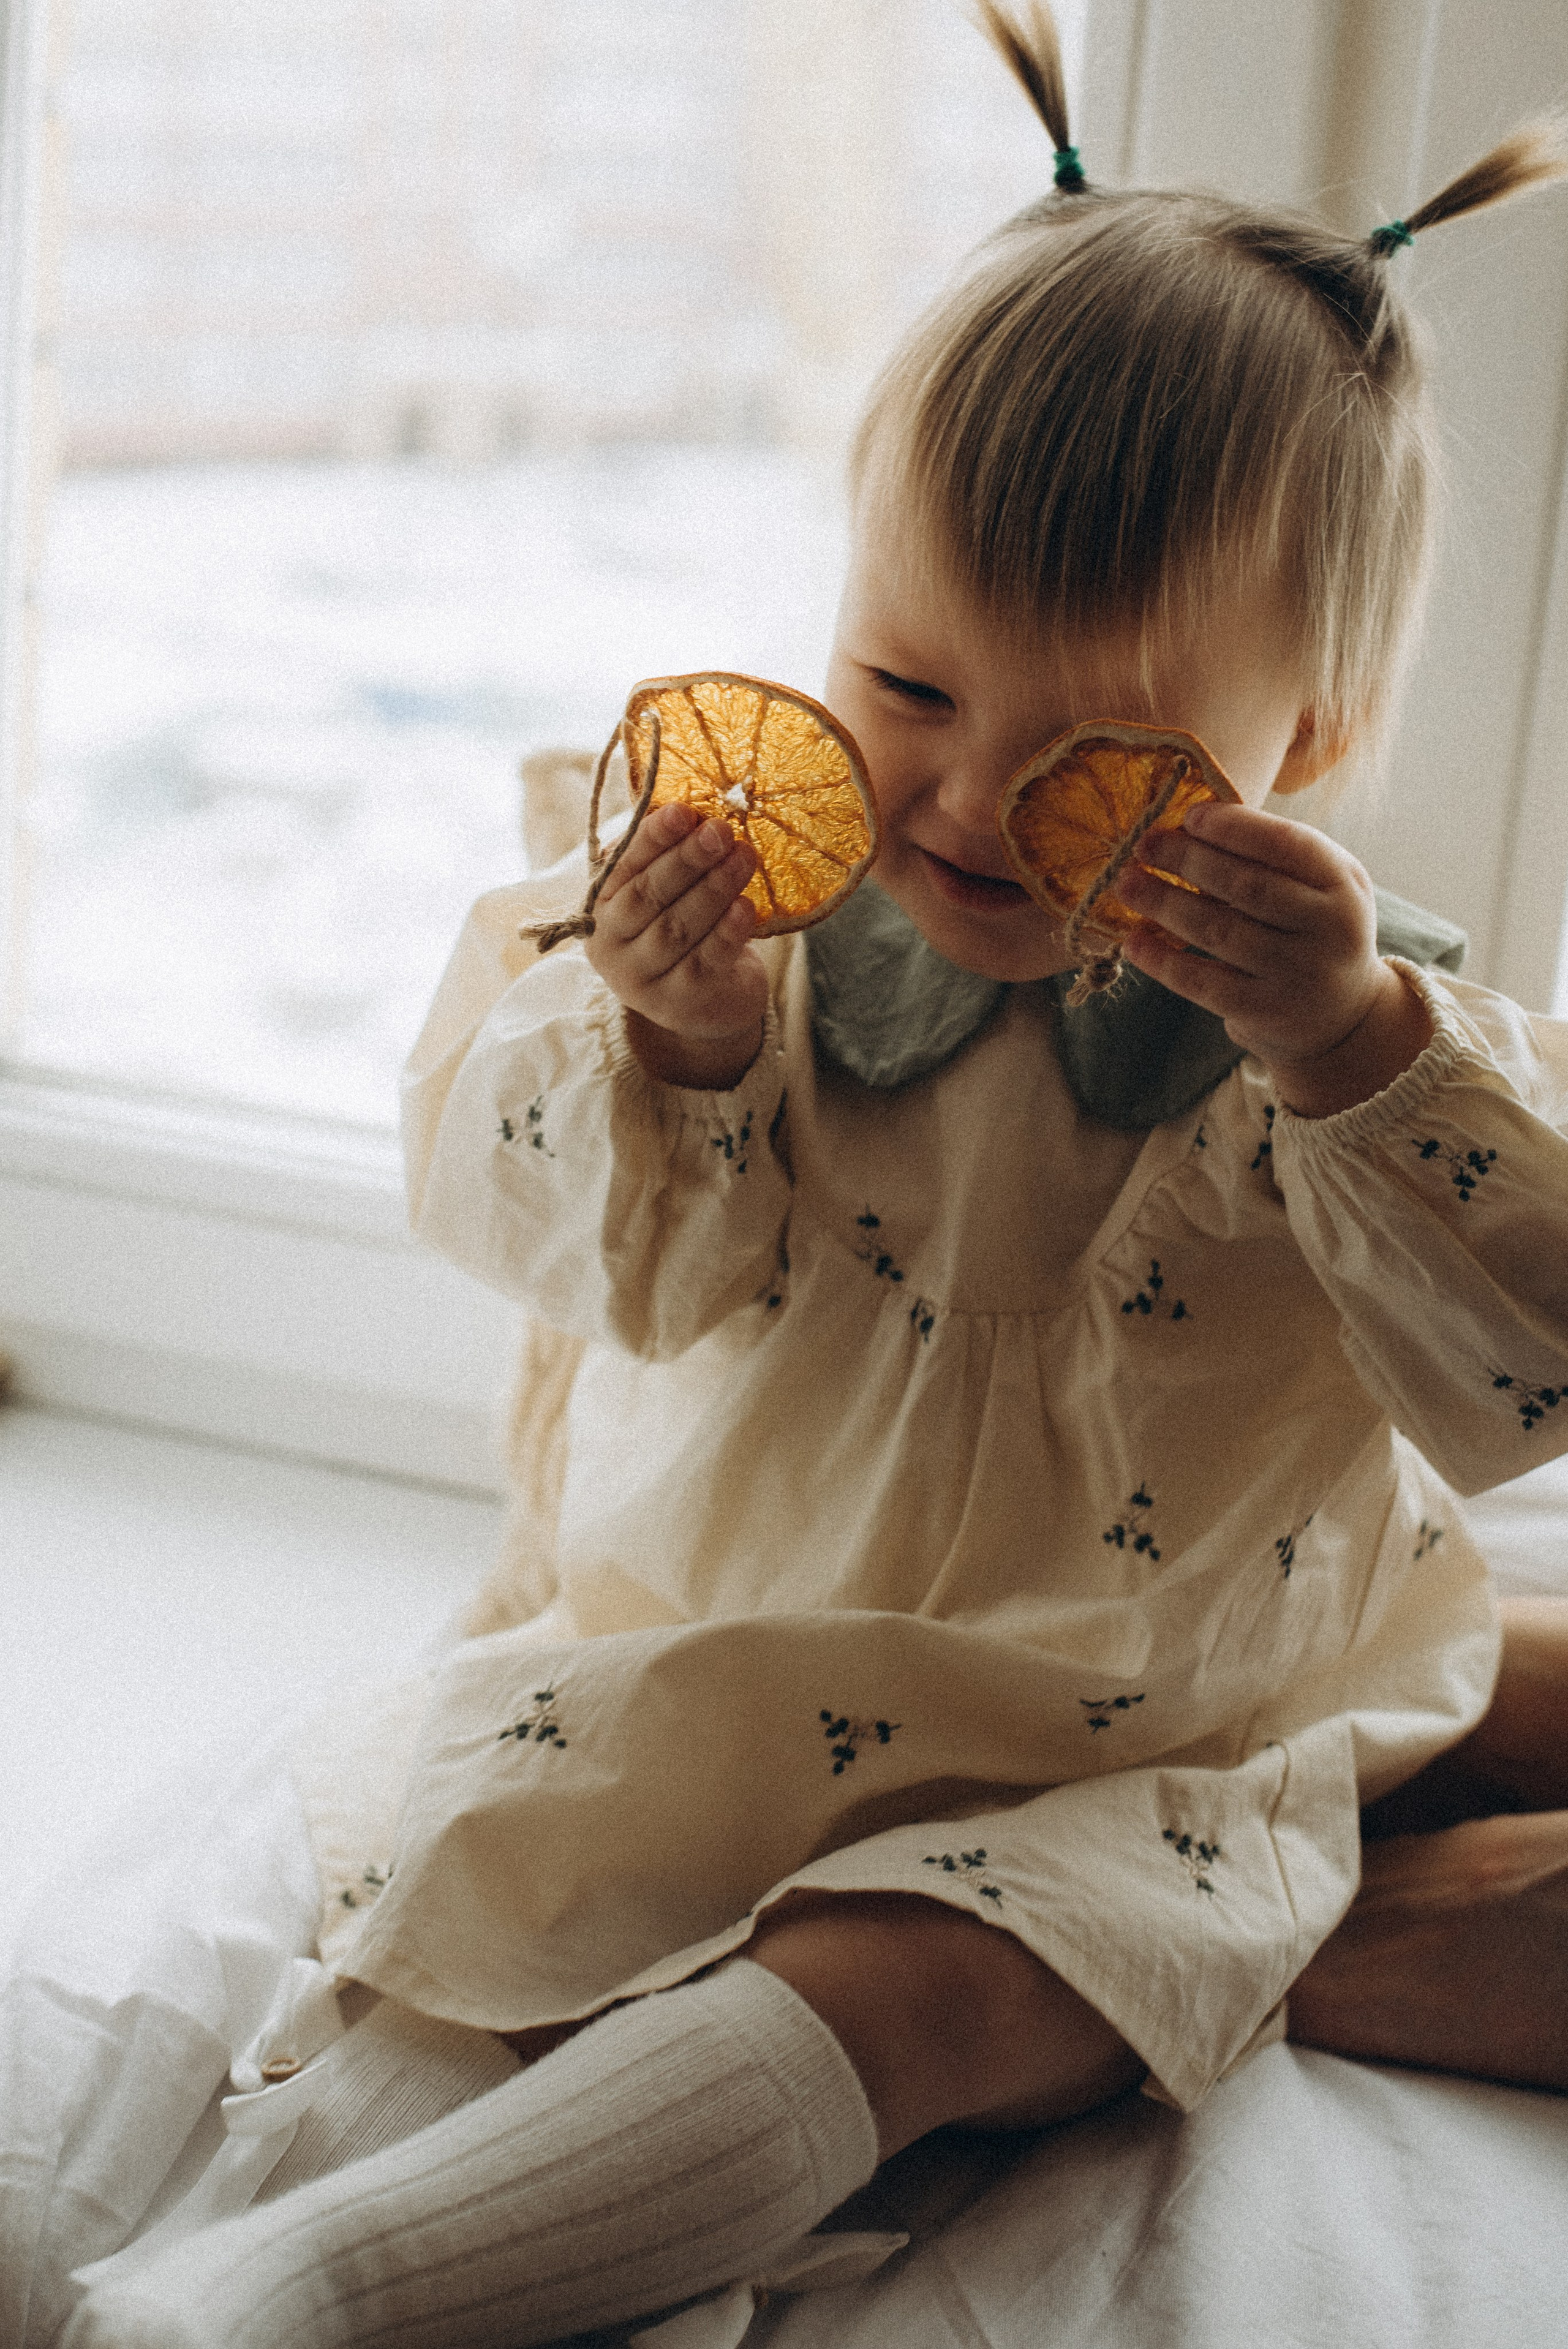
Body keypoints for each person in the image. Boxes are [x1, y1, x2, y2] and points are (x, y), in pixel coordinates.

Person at [38, 9, 1568, 2345]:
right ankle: (239, 2188)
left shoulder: (1341, 1049)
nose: (964, 804)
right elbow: (571, 1248)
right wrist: (675, 1034)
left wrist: (1351, 1047)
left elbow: (1530, 1356)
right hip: (715, 1637)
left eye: (1097, 750)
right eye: (909, 686)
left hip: (1133, 1726)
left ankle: (316, 2291)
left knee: (944, 1989)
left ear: (1312, 741)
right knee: (476, 1860)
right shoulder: (735, 913)